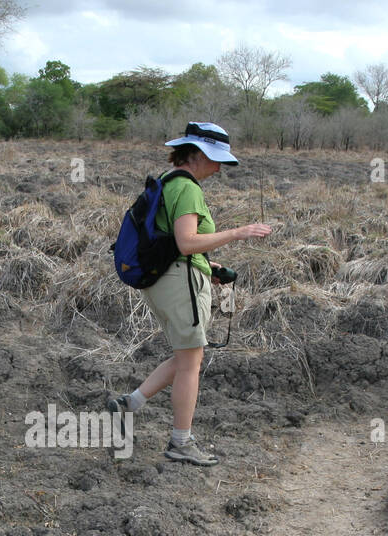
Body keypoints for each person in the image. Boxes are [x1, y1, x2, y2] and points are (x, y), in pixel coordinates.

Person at [107, 122, 271, 465]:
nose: (219, 167)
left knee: (187, 357)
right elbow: (186, 242)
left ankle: (131, 402)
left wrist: (208, 268)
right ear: (196, 155)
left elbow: (173, 243)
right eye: (216, 159)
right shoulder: (188, 188)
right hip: (179, 282)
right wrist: (238, 232)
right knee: (191, 363)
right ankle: (181, 443)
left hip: (165, 280)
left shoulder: (167, 182)